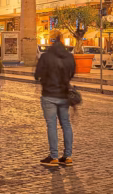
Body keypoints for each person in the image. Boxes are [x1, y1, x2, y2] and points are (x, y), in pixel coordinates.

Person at [34, 34, 76, 167]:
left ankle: (54, 157)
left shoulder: (46, 56)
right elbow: (72, 73)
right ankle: (68, 157)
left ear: (52, 42)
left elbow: (37, 75)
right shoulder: (69, 57)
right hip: (64, 94)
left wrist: (44, 79)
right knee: (66, 124)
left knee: (52, 125)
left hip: (49, 94)